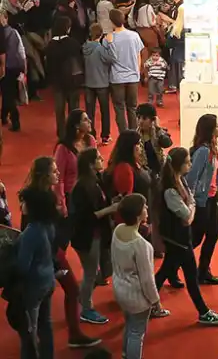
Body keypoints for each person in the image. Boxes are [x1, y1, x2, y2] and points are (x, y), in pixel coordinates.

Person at [19, 156, 101, 350]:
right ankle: (69, 335)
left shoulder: (41, 195)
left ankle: (61, 336)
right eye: (54, 171)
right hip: (49, 254)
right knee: (67, 292)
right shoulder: (38, 201)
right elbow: (38, 231)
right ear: (44, 175)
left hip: (52, 252)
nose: (58, 174)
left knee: (52, 302)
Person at [154, 147, 218, 325]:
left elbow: (191, 203)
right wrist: (191, 209)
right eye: (187, 162)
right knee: (191, 276)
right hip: (177, 239)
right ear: (179, 165)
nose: (191, 164)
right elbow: (187, 216)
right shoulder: (170, 190)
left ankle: (148, 303)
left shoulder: (181, 182)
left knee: (165, 270)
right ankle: (203, 312)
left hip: (180, 238)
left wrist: (191, 208)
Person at [112, 194, 163, 359]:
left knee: (129, 325)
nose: (147, 209)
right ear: (137, 214)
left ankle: (125, 354)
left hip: (119, 289)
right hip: (136, 297)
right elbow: (147, 280)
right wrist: (156, 302)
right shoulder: (142, 245)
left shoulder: (118, 230)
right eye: (144, 207)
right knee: (137, 333)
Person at [71, 148, 119, 325]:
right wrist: (110, 209)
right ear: (91, 164)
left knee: (98, 272)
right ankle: (86, 309)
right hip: (87, 236)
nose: (102, 159)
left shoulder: (95, 180)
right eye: (98, 158)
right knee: (91, 273)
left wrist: (112, 203)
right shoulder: (82, 187)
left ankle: (84, 298)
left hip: (96, 234)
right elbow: (88, 216)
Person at [17, 187, 59, 359]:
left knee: (30, 329)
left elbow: (22, 266)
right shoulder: (48, 225)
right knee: (45, 323)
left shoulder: (31, 232)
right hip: (48, 279)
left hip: (34, 285)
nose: (21, 205)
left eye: (24, 202)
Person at [187, 114, 218, 285]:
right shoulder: (203, 151)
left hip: (211, 199)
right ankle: (172, 267)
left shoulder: (212, 149)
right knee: (195, 238)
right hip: (202, 201)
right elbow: (192, 177)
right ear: (210, 130)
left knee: (212, 235)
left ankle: (203, 271)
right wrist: (192, 200)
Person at [45, 15, 84, 138]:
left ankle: (61, 134)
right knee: (74, 108)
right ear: (67, 28)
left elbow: (48, 64)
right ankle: (74, 132)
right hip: (72, 80)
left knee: (59, 109)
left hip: (57, 81)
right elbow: (80, 61)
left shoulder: (50, 45)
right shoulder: (73, 43)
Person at [105, 9, 143, 133]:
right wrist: (137, 72)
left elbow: (108, 58)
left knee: (119, 108)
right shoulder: (134, 35)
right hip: (133, 77)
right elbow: (138, 55)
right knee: (132, 108)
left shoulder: (108, 38)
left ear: (111, 22)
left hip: (117, 78)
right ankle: (134, 134)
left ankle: (123, 135)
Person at [54, 109, 96, 215]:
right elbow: (59, 179)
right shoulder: (63, 148)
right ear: (77, 125)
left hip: (90, 192)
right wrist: (62, 203)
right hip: (72, 197)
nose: (90, 121)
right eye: (85, 120)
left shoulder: (90, 140)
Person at [82, 23, 114, 144]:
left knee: (89, 112)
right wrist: (109, 44)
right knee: (104, 111)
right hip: (102, 83)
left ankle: (91, 135)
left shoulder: (84, 47)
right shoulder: (100, 48)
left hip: (88, 83)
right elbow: (111, 59)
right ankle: (105, 136)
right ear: (101, 34)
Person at [0, 9, 25, 131]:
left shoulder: (11, 33)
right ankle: (4, 117)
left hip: (7, 67)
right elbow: (21, 51)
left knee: (7, 94)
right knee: (9, 94)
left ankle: (13, 120)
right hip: (14, 66)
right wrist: (23, 67)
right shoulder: (14, 32)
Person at [130, 0, 157, 64]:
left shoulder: (135, 6)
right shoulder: (148, 7)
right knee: (153, 57)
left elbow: (130, 21)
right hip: (149, 35)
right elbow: (152, 22)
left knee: (143, 56)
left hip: (139, 33)